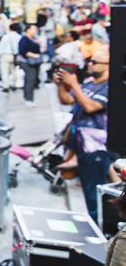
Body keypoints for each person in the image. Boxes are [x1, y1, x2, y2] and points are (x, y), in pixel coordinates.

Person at [54, 50, 112, 222]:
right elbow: (67, 100)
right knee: (89, 190)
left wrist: (74, 83)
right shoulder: (89, 83)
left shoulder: (110, 87)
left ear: (108, 65)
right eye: (89, 61)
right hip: (82, 146)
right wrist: (60, 85)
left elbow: (91, 107)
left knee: (95, 192)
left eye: (94, 62)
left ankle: (99, 229)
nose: (89, 64)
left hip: (97, 147)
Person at [19, 25, 43, 106]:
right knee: (30, 80)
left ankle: (28, 98)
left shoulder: (34, 39)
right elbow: (22, 50)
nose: (35, 31)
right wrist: (33, 55)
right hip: (27, 62)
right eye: (34, 29)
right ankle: (29, 99)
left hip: (34, 62)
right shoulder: (24, 39)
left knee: (29, 80)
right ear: (28, 30)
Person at [0, 23, 22, 92]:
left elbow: (1, 46)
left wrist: (0, 54)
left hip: (5, 55)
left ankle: (6, 86)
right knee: (14, 71)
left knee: (5, 71)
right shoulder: (19, 37)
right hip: (15, 56)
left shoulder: (6, 36)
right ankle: (14, 85)